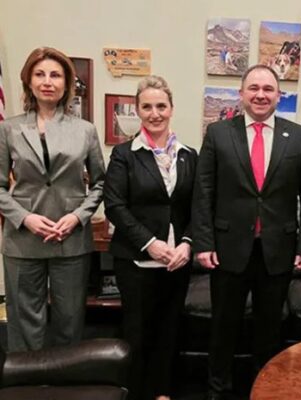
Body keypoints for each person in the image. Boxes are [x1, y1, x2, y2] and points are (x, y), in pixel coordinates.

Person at [192, 64, 301, 399]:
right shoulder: (218, 133)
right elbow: (203, 193)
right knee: (223, 327)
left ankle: (263, 390)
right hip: (228, 249)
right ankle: (218, 390)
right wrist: (203, 242)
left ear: (279, 95)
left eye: (268, 89)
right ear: (242, 94)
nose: (261, 95)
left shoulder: (300, 137)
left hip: (277, 250)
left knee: (269, 330)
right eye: (254, 88)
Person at [0, 47, 105, 352]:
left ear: (66, 83)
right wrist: (25, 218)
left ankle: (64, 378)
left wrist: (77, 217)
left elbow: (100, 184)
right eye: (40, 74)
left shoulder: (85, 130)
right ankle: (27, 379)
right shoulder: (8, 129)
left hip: (70, 239)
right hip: (23, 240)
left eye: (55, 75)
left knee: (69, 321)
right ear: (29, 81)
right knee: (24, 324)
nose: (48, 81)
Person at [103, 75, 196, 400]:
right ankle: (138, 393)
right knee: (138, 333)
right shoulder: (124, 154)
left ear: (171, 108)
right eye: (147, 107)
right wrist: (150, 243)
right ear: (138, 110)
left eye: (161, 106)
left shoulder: (189, 155)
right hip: (137, 262)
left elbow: (198, 207)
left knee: (170, 331)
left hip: (176, 262)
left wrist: (187, 243)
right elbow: (115, 206)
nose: (155, 113)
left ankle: (163, 392)